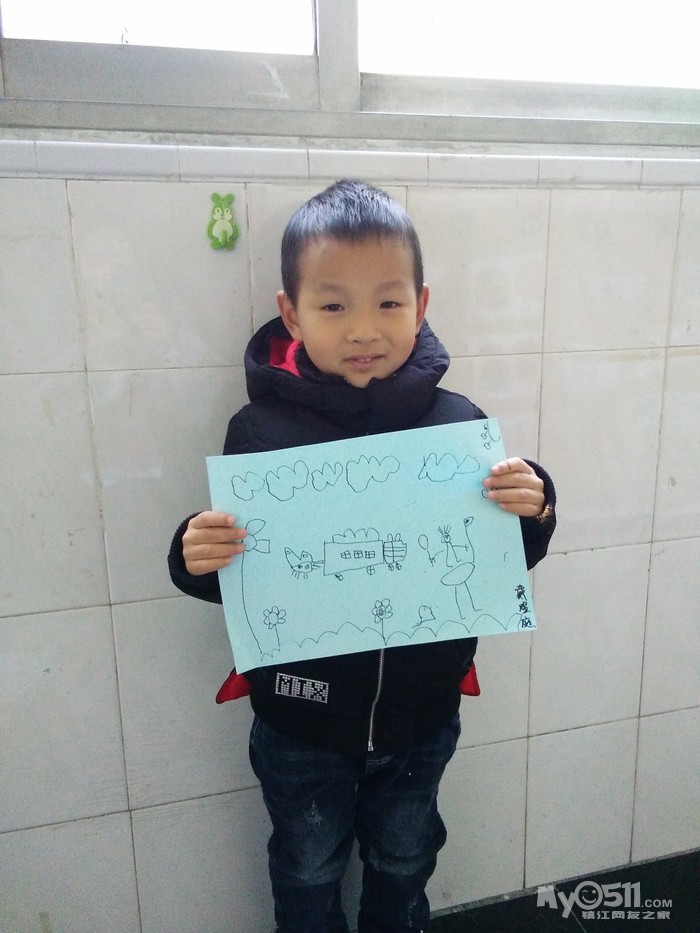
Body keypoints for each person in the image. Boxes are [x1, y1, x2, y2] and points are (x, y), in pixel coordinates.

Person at [168, 180, 556, 933]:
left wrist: (534, 506)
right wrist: (195, 555)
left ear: (421, 304)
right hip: (300, 719)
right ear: (292, 313)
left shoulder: (458, 429)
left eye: (388, 302)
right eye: (333, 306)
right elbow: (246, 578)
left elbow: (490, 561)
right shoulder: (260, 434)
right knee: (307, 868)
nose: (364, 329)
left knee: (406, 859)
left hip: (422, 716)